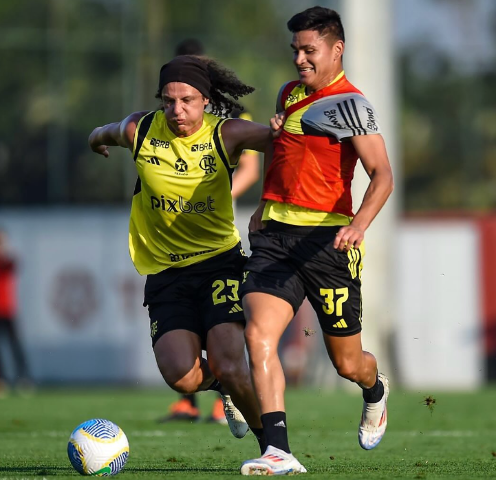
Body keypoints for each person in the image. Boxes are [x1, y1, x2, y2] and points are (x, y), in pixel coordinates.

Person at [239, 6, 394, 475]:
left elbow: (382, 175)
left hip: (329, 244)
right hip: (277, 239)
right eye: (296, 51)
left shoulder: (353, 103)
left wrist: (359, 224)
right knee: (257, 333)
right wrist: (265, 205)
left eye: (310, 50)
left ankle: (375, 390)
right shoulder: (290, 93)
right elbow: (286, 155)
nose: (300, 59)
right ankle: (278, 450)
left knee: (348, 364)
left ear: (336, 49)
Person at [88, 54, 269, 454]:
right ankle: (228, 387)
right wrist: (96, 142)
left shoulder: (228, 134)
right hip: (166, 272)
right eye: (168, 100)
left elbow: (285, 144)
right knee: (182, 378)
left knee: (228, 360)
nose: (177, 110)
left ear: (205, 100)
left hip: (219, 262)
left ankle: (272, 447)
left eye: (186, 100)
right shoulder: (140, 129)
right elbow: (102, 132)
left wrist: (269, 204)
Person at [161, 40, 260, 425]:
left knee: (221, 335)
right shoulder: (166, 117)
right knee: (183, 348)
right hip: (171, 250)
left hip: (215, 235)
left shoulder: (234, 118)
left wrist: (213, 196)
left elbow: (252, 168)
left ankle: (234, 401)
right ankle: (201, 397)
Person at [0, 228, 31, 396]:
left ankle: (23, 379)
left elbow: (13, 263)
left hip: (8, 309)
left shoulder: (7, 259)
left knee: (15, 346)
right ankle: (2, 380)